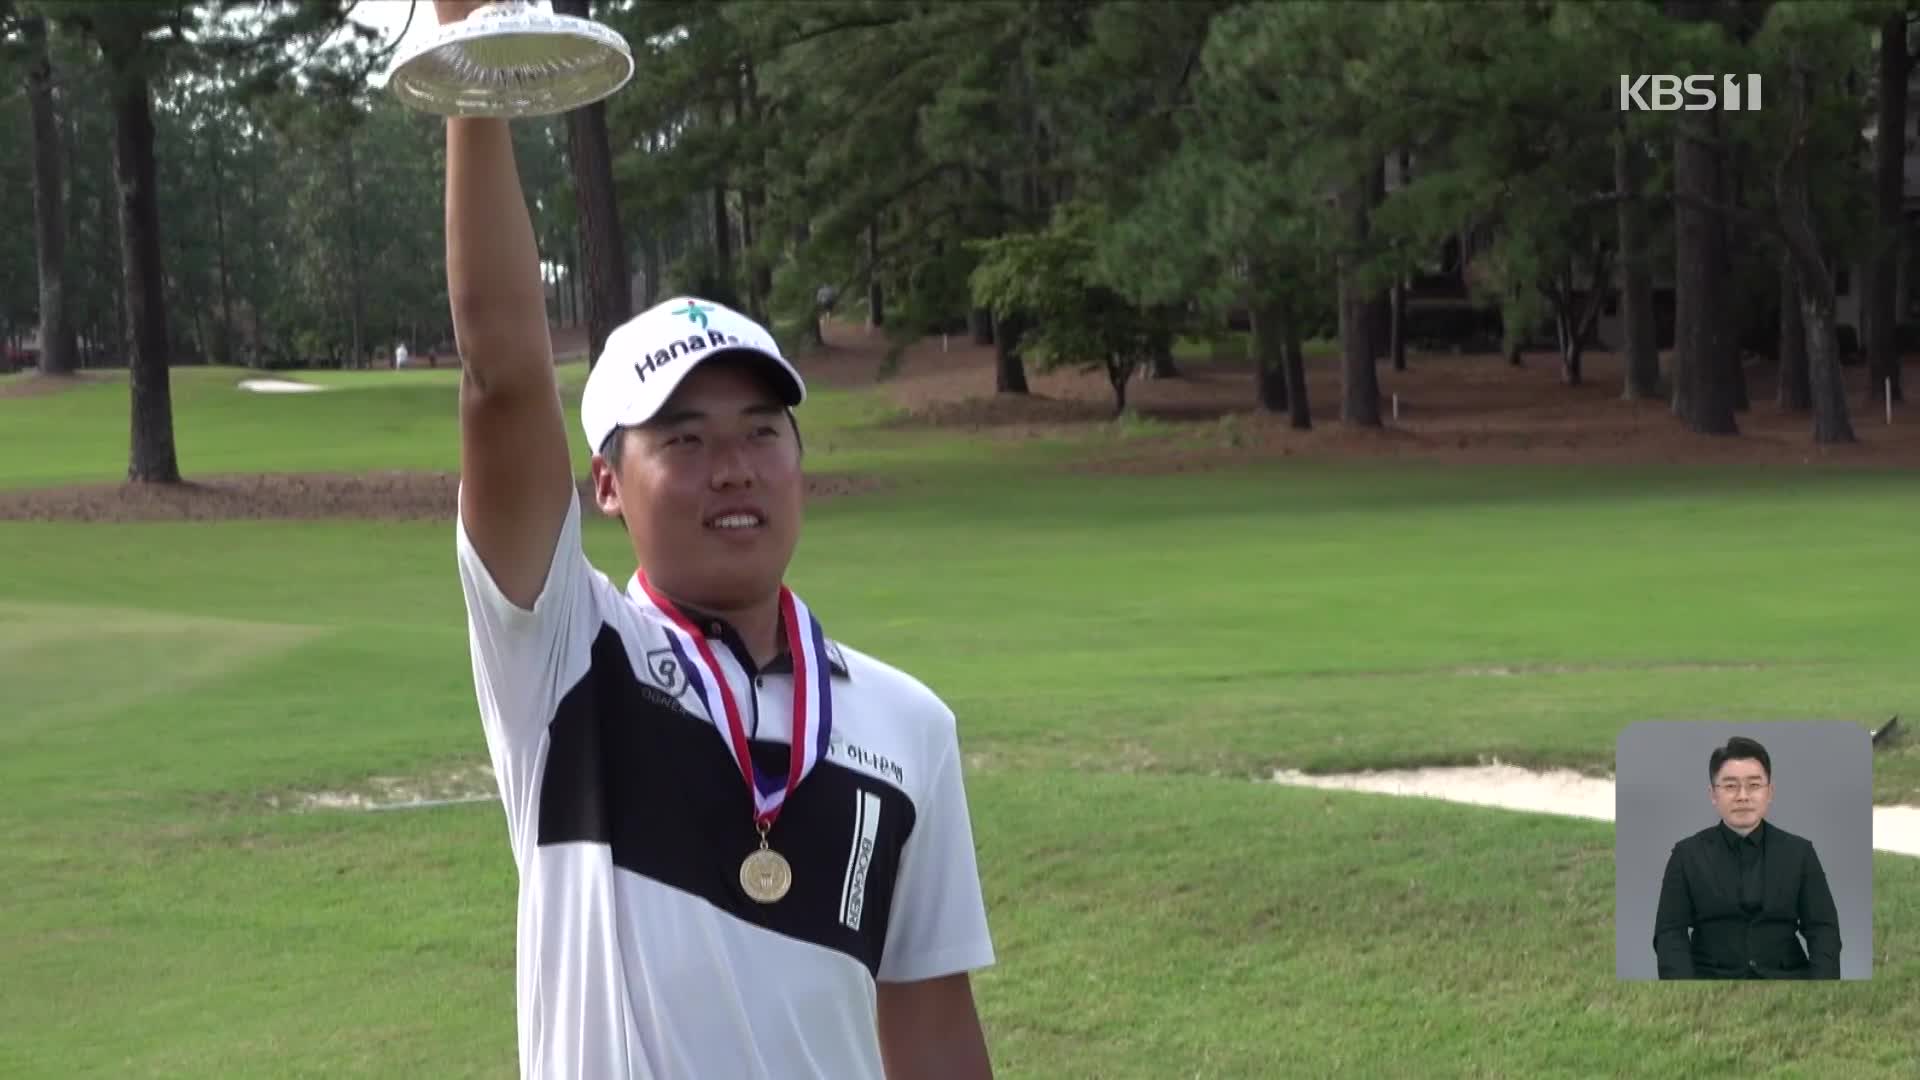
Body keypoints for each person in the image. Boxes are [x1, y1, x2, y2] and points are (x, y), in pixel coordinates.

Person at [434, 3, 997, 1076]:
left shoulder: (907, 724)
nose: (731, 467)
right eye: (682, 440)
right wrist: (476, 70)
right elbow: (503, 372)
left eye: (758, 431)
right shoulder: (564, 660)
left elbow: (929, 1021)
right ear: (605, 482)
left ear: (799, 458)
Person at [1651, 736, 1841, 979]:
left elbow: (1823, 929)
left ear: (1770, 792)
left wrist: (1821, 990)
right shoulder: (1686, 855)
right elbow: (1669, 934)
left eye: (1754, 785)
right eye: (1730, 786)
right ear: (1713, 794)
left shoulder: (1800, 852)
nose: (1743, 796)